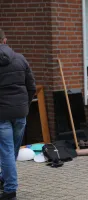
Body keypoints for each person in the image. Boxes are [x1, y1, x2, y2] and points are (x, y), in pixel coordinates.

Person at [0, 29, 36, 199]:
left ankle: (10, 190)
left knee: (7, 151)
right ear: (5, 40)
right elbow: (31, 87)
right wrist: (24, 106)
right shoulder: (20, 59)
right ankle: (5, 179)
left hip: (2, 115)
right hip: (20, 112)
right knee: (11, 151)